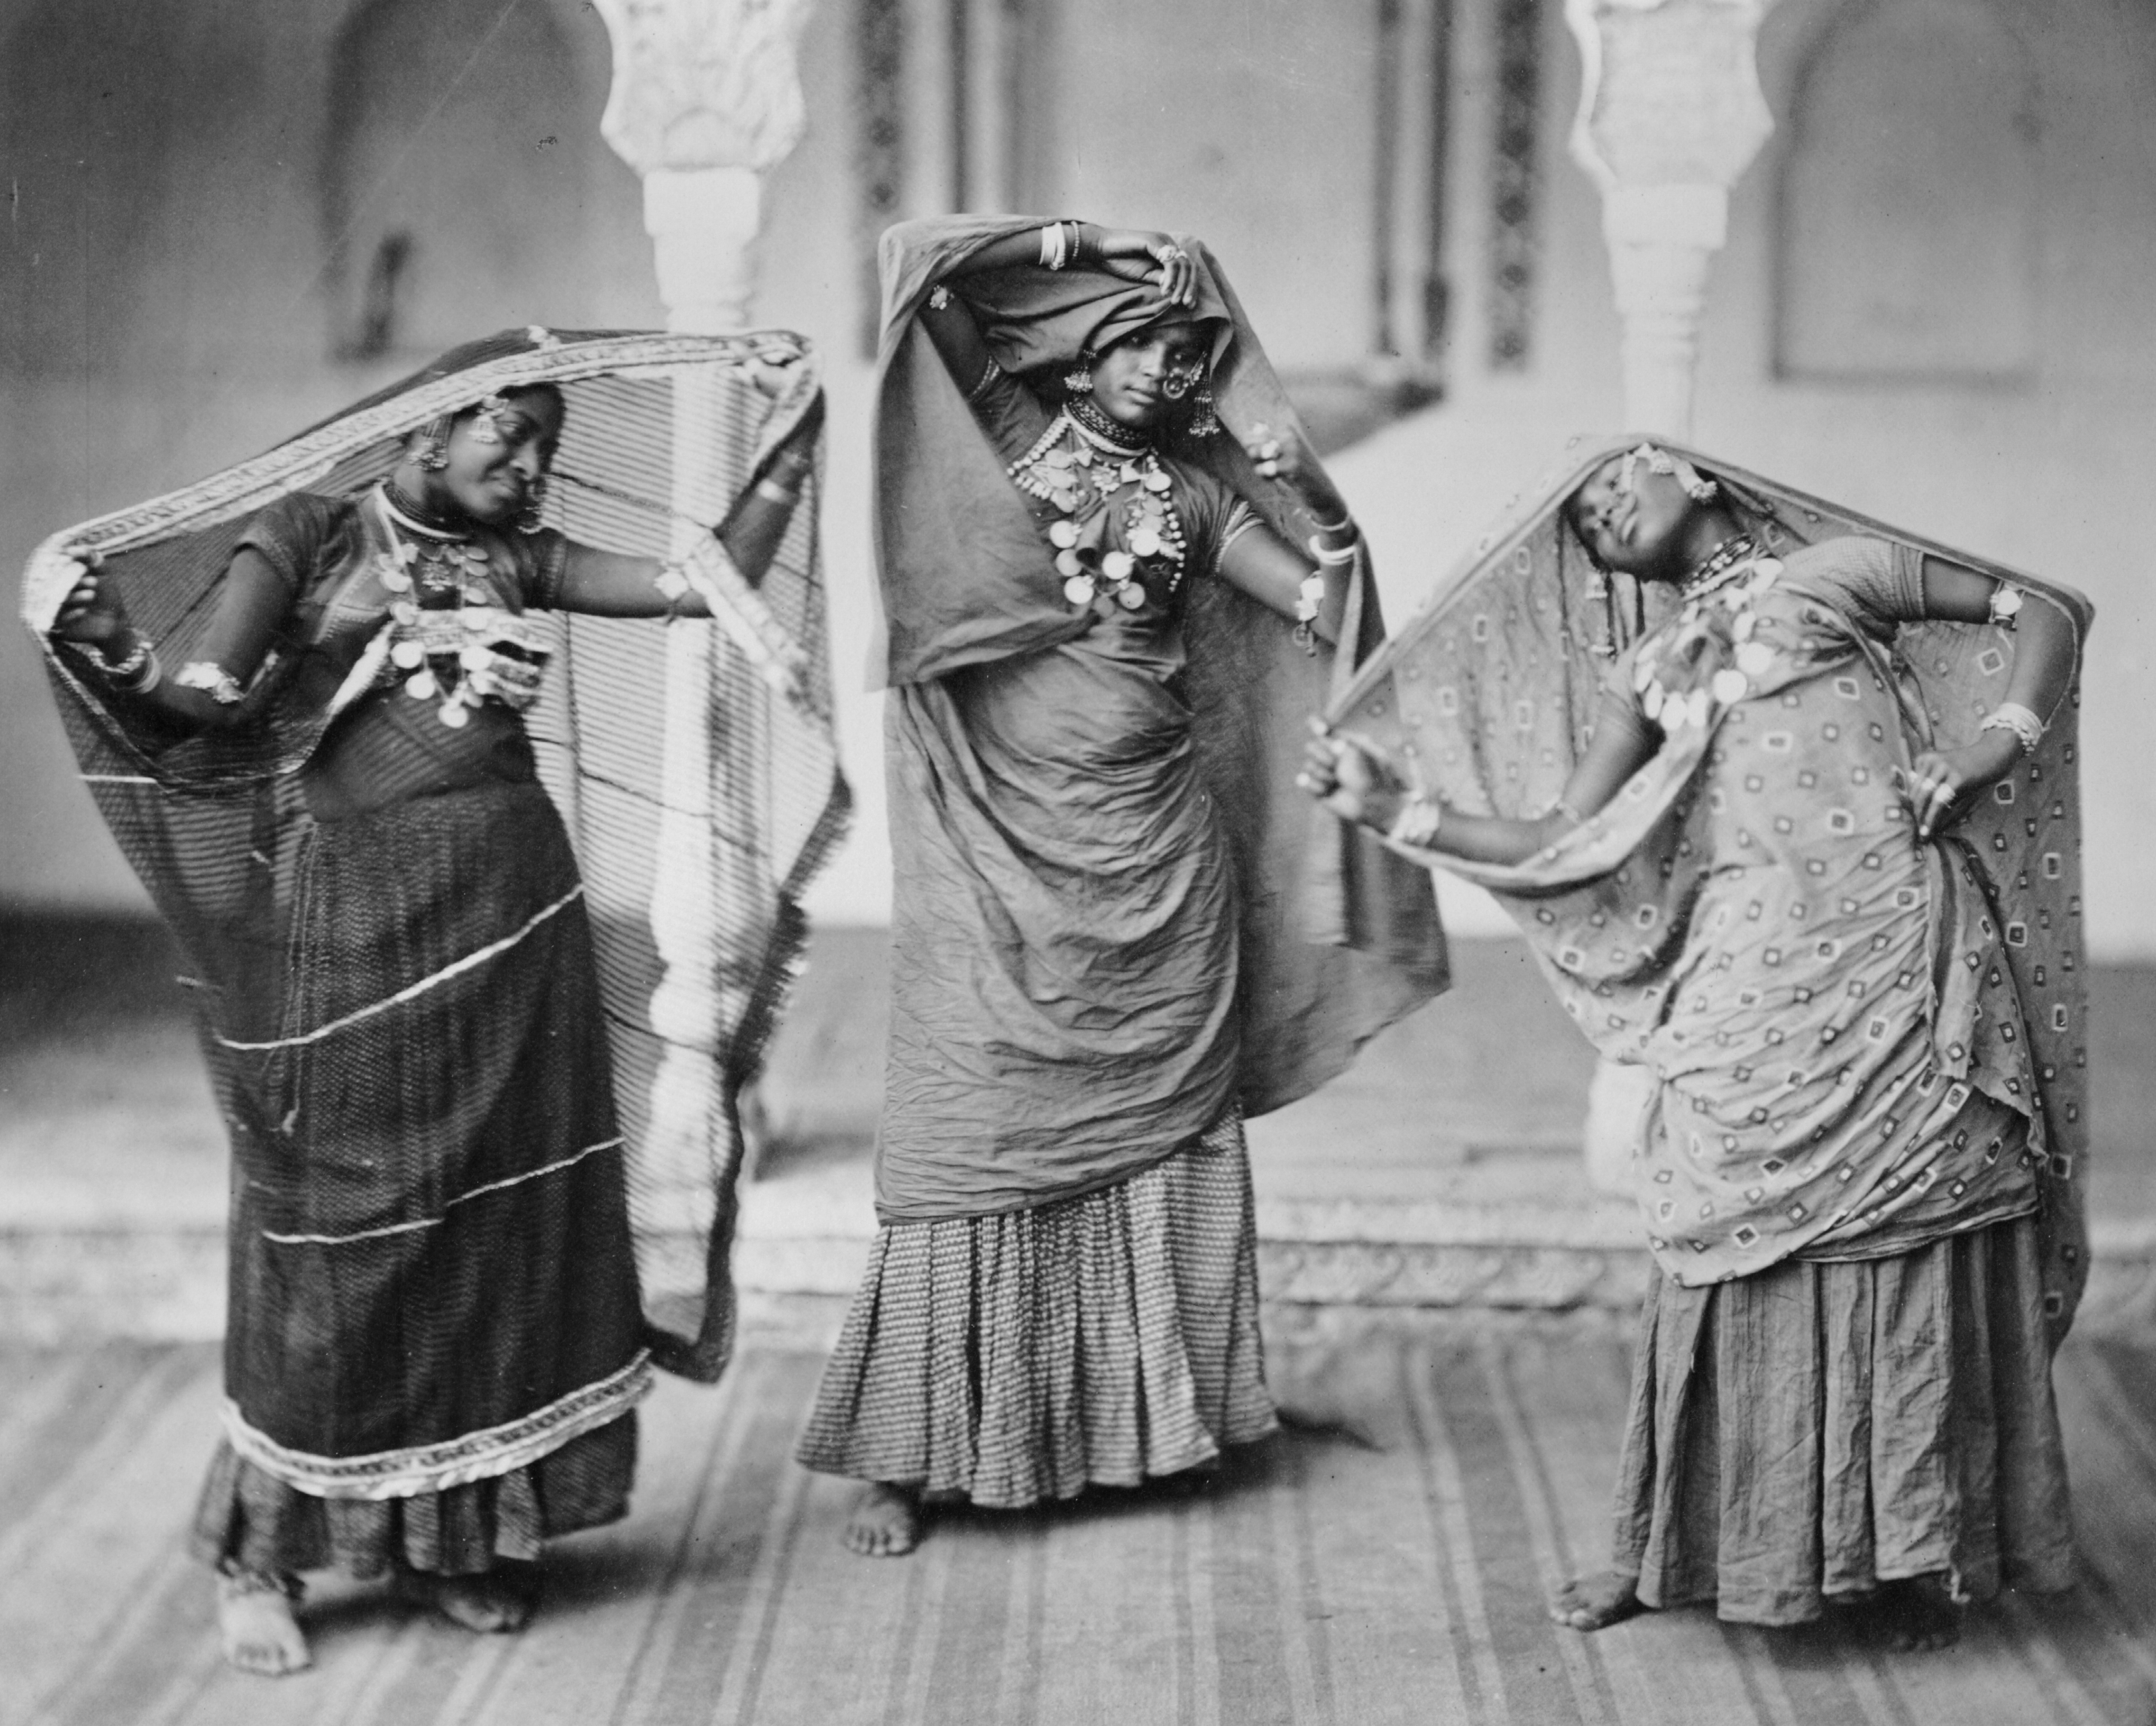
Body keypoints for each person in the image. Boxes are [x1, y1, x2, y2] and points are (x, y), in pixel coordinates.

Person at [28, 329, 839, 1675]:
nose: (530, 470)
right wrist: (191, 638)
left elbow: (703, 583)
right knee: (343, 1229)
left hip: (512, 916)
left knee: (492, 1223)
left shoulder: (515, 555)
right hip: (345, 927)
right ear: (425, 433)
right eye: (505, 442)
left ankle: (452, 1543)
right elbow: (198, 711)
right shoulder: (309, 535)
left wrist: (789, 435)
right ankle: (263, 1556)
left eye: (548, 450)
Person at [1301, 438, 2088, 1650]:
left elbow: (2037, 607)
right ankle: (1666, 1543)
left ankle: (1914, 1555)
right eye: (1585, 521)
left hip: (1894, 956)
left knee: (1910, 1232)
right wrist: (1390, 807)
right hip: (1742, 981)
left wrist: (1993, 744)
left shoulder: (1831, 577)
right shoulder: (1649, 668)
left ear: (1702, 475)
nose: (1603, 510)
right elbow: (1565, 834)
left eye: (1620, 480)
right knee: (1711, 1234)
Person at [795, 218, 1445, 1556]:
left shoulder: (1194, 499)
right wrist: (1069, 239)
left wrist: (1308, 500)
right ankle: (911, 1455)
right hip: (996, 842)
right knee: (969, 1122)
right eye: (1140, 340)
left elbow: (1318, 605)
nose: (1163, 365)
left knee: (1161, 1132)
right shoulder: (1006, 440)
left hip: (1158, 850)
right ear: (1078, 356)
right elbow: (922, 273)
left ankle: (1147, 1426)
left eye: (1185, 348)